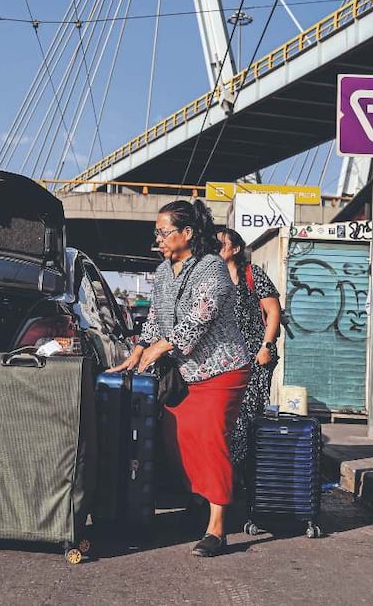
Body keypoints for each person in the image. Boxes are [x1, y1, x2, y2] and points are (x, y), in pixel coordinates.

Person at [108, 200, 249, 558]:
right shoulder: (163, 270)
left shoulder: (211, 266)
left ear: (187, 233)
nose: (158, 238)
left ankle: (218, 528)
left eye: (164, 231)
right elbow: (156, 316)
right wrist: (140, 348)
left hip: (221, 369)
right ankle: (202, 503)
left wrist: (164, 346)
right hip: (186, 374)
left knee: (210, 438)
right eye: (156, 232)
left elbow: (206, 310)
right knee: (178, 442)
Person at [215, 227, 283, 466]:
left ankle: (245, 467)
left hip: (255, 355)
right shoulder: (212, 277)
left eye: (222, 244)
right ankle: (230, 465)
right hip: (224, 358)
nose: (217, 248)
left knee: (248, 411)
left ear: (235, 249)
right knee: (227, 413)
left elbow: (274, 312)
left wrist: (266, 346)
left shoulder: (252, 273)